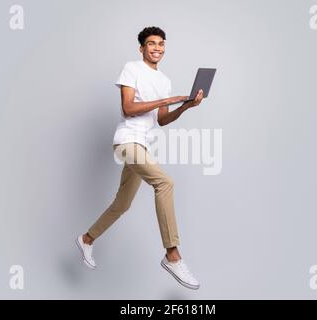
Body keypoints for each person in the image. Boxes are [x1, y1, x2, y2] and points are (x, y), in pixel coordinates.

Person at [76, 26, 204, 290]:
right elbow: (128, 108)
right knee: (165, 183)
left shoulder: (164, 80)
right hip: (125, 141)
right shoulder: (132, 68)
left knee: (122, 204)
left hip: (142, 145)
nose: (157, 48)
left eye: (161, 44)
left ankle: (86, 239)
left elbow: (162, 120)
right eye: (151, 43)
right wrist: (164, 99)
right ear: (142, 48)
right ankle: (172, 255)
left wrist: (185, 106)